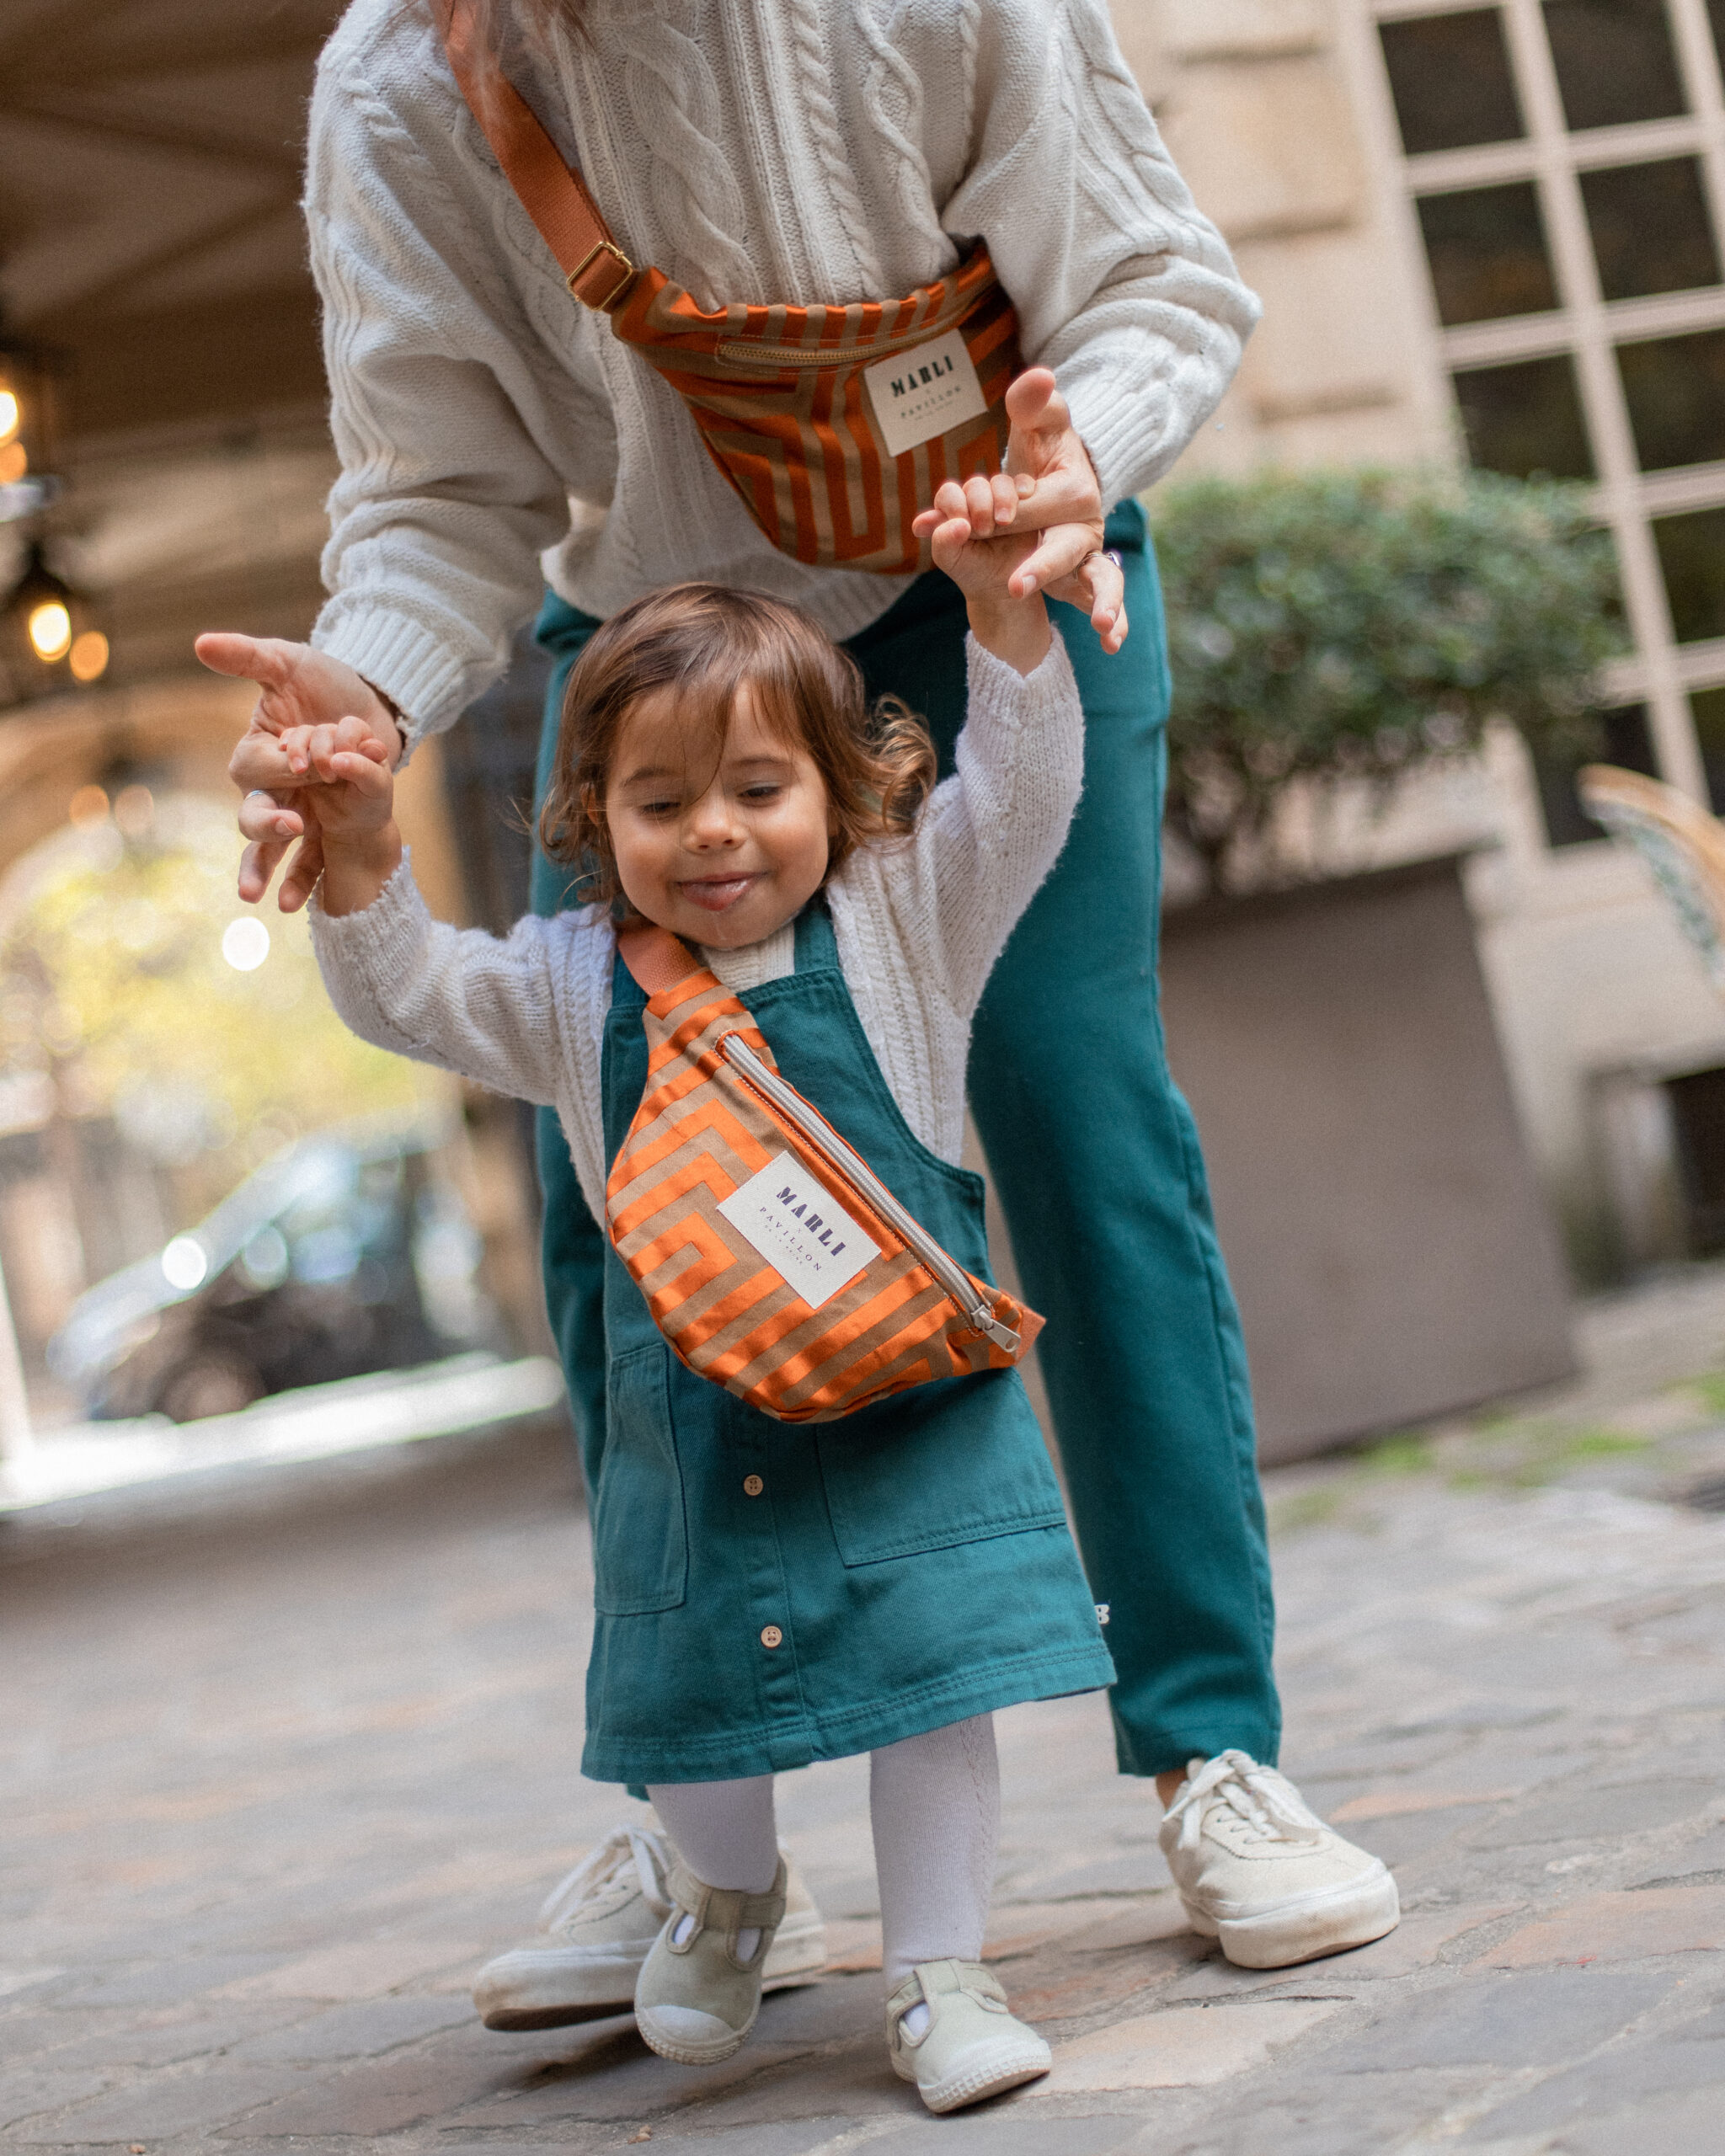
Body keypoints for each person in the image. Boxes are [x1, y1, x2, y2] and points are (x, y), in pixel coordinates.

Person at [202, 0, 1398, 2027]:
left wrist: (1072, 461)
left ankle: (1209, 1744)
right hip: (666, 660)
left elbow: (1143, 276)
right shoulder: (400, 81)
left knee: (1070, 1106)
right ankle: (704, 1824)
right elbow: (437, 490)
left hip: (990, 576)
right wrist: (372, 696)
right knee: (619, 1187)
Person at [275, 507, 1115, 2111]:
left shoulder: (902, 921)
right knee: (693, 1685)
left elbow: (1025, 803)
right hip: (696, 1408)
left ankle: (943, 1973)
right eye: (662, 801)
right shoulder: (574, 980)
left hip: (902, 1398)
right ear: (597, 815)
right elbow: (414, 995)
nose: (716, 834)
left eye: (759, 788)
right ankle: (726, 1899)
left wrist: (1006, 625)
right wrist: (364, 854)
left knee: (935, 1684)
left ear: (840, 789)